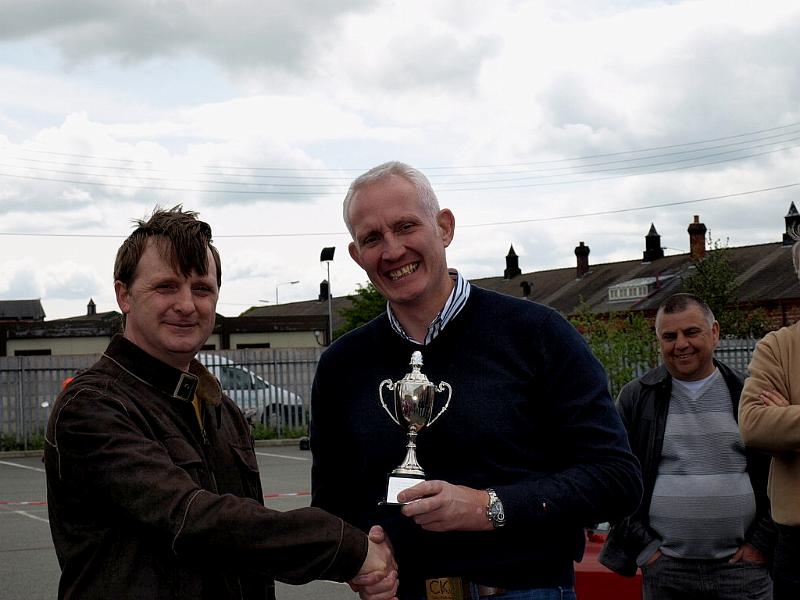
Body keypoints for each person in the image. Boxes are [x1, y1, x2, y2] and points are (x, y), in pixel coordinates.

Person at [310, 161, 642, 600]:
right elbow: (332, 505)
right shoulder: (341, 365)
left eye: (406, 226)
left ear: (444, 227)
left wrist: (491, 507)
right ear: (356, 255)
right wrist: (360, 552)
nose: (392, 251)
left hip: (526, 592)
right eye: (372, 238)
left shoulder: (538, 334)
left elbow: (617, 480)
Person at [44, 207, 396, 600]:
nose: (186, 304)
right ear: (123, 295)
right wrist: (347, 549)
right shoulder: (91, 407)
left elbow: (248, 547)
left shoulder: (220, 409)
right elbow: (190, 518)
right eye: (166, 287)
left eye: (201, 288)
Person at [600, 293, 774, 600]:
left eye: (691, 332)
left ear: (715, 332)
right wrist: (646, 550)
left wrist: (761, 544)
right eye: (669, 336)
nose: (680, 344)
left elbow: (782, 472)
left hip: (742, 572)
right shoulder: (638, 399)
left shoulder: (747, 394)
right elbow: (611, 477)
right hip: (667, 573)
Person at [739, 240, 800, 600]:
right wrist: (771, 422)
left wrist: (787, 420)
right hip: (796, 546)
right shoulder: (777, 347)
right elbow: (753, 424)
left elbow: (773, 424)